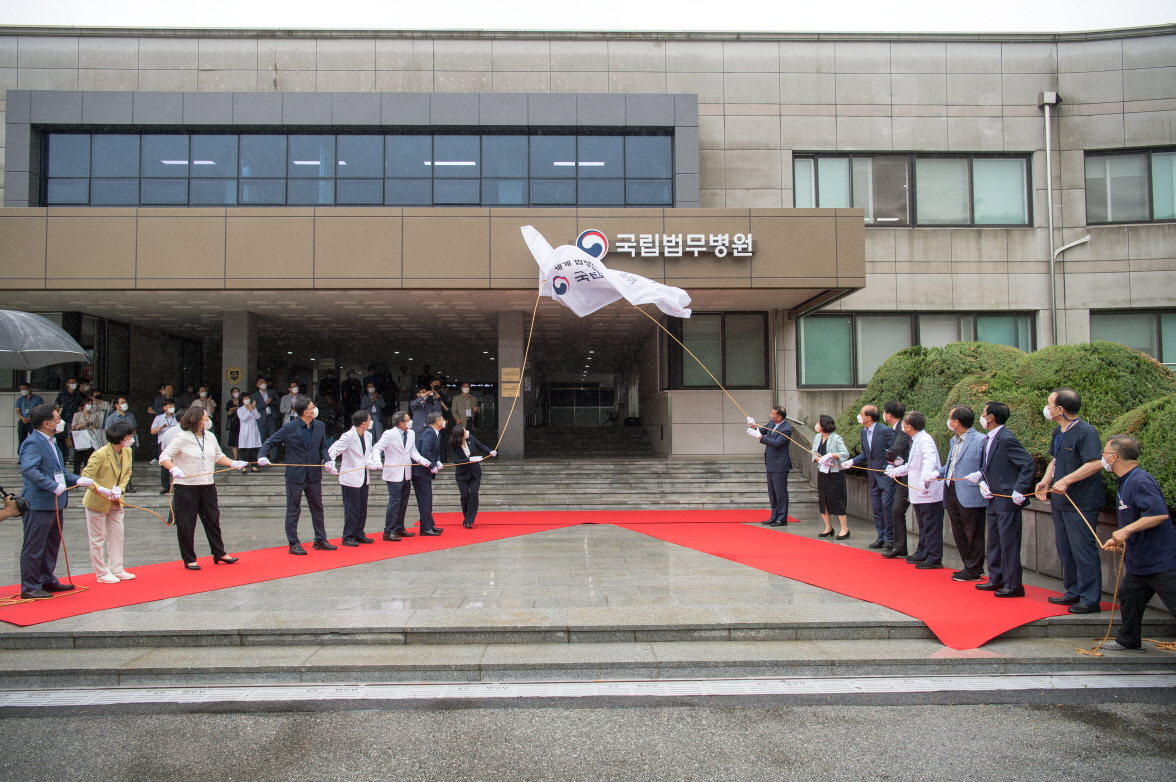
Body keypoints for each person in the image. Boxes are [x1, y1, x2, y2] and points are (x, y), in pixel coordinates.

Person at [1097, 435, 1176, 652]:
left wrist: (1125, 531)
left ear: (1114, 457)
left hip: (1161, 560)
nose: (1102, 457)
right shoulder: (1126, 481)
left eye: (1104, 453)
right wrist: (1119, 538)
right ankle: (1128, 640)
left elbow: (1159, 514)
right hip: (1140, 560)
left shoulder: (1140, 480)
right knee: (1129, 595)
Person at [1035, 388, 1105, 614]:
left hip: (1081, 502)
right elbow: (1055, 459)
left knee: (1083, 550)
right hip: (1060, 502)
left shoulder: (1086, 432)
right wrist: (1046, 480)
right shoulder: (1058, 431)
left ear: (1060, 409)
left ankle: (1090, 599)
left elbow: (1095, 463)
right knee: (1065, 549)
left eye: (1049, 404)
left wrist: (1066, 480)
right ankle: (1073, 591)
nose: (1046, 408)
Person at [17, 404, 95, 599]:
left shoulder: (52, 442)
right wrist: (52, 485)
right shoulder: (33, 443)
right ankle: (30, 586)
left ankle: (47, 579)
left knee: (51, 544)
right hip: (38, 503)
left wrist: (78, 479)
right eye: (57, 419)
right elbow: (29, 469)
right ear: (47, 423)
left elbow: (60, 472)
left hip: (55, 502)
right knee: (35, 546)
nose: (61, 422)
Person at [966, 400, 1036, 598]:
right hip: (993, 497)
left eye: (983, 413)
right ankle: (996, 578)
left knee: (1008, 542)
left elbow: (1027, 463)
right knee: (995, 541)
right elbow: (991, 465)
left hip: (1007, 499)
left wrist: (1019, 489)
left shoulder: (1006, 438)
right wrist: (982, 478)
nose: (981, 417)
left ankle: (1013, 584)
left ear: (990, 417)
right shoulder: (989, 438)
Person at [160, 406, 245, 570]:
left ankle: (219, 552)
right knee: (186, 524)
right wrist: (173, 468)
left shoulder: (210, 436)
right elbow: (164, 457)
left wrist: (233, 463)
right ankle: (189, 558)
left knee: (213, 519)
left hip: (207, 485)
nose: (208, 420)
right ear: (197, 420)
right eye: (205, 418)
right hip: (186, 487)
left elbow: (218, 456)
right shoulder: (181, 437)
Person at [258, 397, 335, 555]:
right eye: (312, 407)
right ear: (305, 412)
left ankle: (320, 539)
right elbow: (270, 441)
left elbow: (322, 447)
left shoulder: (320, 426)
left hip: (313, 475)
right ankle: (293, 543)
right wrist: (262, 455)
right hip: (295, 475)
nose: (315, 409)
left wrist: (328, 460)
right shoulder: (289, 427)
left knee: (317, 508)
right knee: (293, 509)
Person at [80, 421, 136, 584]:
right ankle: (101, 572)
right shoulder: (100, 454)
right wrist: (101, 490)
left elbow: (127, 472)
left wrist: (120, 489)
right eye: (129, 436)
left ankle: (117, 568)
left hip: (116, 501)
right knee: (97, 539)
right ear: (121, 438)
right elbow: (86, 477)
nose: (132, 439)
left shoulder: (127, 451)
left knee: (117, 535)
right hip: (98, 501)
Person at [887, 411, 945, 569]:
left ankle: (934, 557)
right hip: (918, 491)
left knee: (931, 525)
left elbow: (929, 462)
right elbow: (912, 465)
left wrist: (924, 481)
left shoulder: (925, 441)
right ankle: (923, 551)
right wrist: (897, 471)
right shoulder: (915, 440)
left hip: (927, 491)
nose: (902, 425)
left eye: (904, 423)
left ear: (909, 426)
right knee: (923, 524)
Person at [938, 406, 987, 581]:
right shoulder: (954, 440)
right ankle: (970, 565)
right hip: (952, 488)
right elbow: (951, 464)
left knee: (973, 532)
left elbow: (987, 465)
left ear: (957, 422)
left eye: (950, 419)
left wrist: (980, 476)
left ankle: (973, 568)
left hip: (970, 492)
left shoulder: (981, 440)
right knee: (958, 531)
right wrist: (937, 473)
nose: (949, 422)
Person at [371, 410, 431, 541]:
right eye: (408, 420)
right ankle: (389, 530)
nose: (411, 422)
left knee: (403, 501)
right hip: (394, 473)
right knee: (395, 501)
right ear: (400, 423)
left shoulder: (411, 433)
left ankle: (399, 527)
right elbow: (377, 448)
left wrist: (422, 460)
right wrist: (377, 460)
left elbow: (412, 451)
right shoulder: (389, 434)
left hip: (406, 472)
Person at [848, 404, 894, 546]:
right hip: (872, 475)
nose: (859, 416)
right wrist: (852, 461)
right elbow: (866, 454)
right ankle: (881, 536)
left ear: (868, 417)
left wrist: (892, 466)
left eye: (861, 414)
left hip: (885, 475)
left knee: (887, 507)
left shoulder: (885, 431)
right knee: (876, 507)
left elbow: (893, 451)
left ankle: (890, 538)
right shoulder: (863, 432)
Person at [328, 410, 376, 546]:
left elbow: (368, 453)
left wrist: (371, 461)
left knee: (362, 507)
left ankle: (359, 533)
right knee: (352, 509)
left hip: (364, 476)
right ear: (363, 423)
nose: (371, 422)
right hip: (351, 477)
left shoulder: (368, 435)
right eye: (369, 419)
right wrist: (331, 463)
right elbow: (333, 450)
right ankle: (348, 536)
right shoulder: (348, 436)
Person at [746, 406, 793, 527]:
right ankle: (774, 516)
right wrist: (753, 426)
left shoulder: (786, 429)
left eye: (773, 414)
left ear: (779, 417)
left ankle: (782, 518)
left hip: (780, 465)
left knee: (780, 493)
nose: (770, 415)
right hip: (771, 463)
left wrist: (760, 437)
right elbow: (762, 430)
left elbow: (776, 443)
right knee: (772, 493)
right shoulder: (772, 424)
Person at [811, 414, 850, 539]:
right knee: (823, 499)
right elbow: (813, 452)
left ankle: (844, 528)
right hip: (822, 471)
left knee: (836, 499)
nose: (817, 425)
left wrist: (831, 455)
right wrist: (820, 459)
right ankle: (828, 527)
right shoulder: (817, 437)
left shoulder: (836, 438)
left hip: (835, 473)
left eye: (819, 423)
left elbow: (845, 454)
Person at [449, 424, 496, 528]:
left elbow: (480, 446)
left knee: (474, 493)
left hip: (475, 472)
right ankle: (467, 517)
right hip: (462, 474)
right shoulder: (454, 445)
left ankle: (469, 520)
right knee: (464, 496)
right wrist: (469, 460)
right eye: (464, 431)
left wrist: (490, 451)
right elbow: (456, 461)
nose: (466, 432)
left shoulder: (471, 438)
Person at [411, 412, 446, 536]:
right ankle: (426, 528)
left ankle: (429, 524)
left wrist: (437, 461)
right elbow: (425, 450)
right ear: (437, 421)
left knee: (428, 499)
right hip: (420, 473)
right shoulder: (429, 433)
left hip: (425, 472)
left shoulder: (435, 433)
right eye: (441, 419)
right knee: (425, 500)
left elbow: (435, 450)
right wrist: (431, 465)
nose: (443, 420)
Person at [881, 400, 909, 553]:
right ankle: (899, 546)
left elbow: (896, 449)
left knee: (897, 509)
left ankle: (900, 546)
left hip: (908, 474)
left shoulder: (902, 429)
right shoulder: (895, 429)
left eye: (884, 412)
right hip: (900, 471)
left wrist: (889, 458)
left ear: (889, 415)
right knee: (896, 510)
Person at [103, 396, 139, 494]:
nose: (125, 404)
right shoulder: (111, 418)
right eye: (122, 402)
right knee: (117, 464)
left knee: (129, 464)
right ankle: (117, 484)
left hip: (129, 443)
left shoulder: (131, 416)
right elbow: (108, 432)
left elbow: (134, 429)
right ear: (116, 405)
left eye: (125, 402)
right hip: (117, 444)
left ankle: (128, 484)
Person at [150, 398, 180, 494]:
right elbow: (152, 431)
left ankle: (177, 485)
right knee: (164, 465)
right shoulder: (159, 418)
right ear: (164, 408)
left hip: (175, 442)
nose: (172, 407)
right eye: (169, 406)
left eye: (173, 406)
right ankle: (166, 486)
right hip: (163, 443)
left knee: (177, 463)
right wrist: (161, 427)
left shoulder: (177, 417)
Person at [69, 395, 104, 474]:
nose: (90, 406)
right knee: (78, 458)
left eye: (91, 404)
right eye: (88, 404)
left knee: (88, 458)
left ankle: (87, 474)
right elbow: (73, 427)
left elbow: (97, 426)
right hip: (80, 437)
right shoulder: (77, 415)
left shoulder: (94, 415)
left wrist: (93, 427)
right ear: (84, 405)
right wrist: (83, 424)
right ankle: (76, 474)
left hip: (90, 437)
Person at [54, 378, 84, 458]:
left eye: (75, 383)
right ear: (67, 384)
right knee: (63, 437)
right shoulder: (61, 395)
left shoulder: (78, 395)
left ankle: (72, 457)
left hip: (74, 419)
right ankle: (63, 455)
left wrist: (81, 418)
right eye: (72, 383)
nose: (74, 384)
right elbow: (57, 407)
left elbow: (79, 407)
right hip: (63, 419)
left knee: (74, 437)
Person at [236, 394, 262, 473]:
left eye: (248, 398)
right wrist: (249, 410)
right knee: (244, 450)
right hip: (245, 432)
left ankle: (254, 466)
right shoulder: (240, 410)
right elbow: (243, 419)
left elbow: (258, 416)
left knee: (254, 449)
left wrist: (253, 408)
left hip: (253, 432)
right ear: (242, 400)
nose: (247, 399)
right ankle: (244, 467)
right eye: (245, 398)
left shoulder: (253, 408)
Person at [147, 383, 172, 465]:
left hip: (171, 420)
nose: (169, 391)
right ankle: (156, 457)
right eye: (167, 389)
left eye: (171, 389)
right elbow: (154, 408)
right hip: (161, 420)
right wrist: (161, 411)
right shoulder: (158, 399)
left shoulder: (176, 399)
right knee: (157, 440)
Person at [251, 377, 280, 448]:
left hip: (271, 417)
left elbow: (278, 402)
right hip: (261, 418)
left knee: (273, 437)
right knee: (262, 438)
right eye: (261, 382)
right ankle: (262, 453)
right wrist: (266, 403)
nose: (263, 383)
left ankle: (274, 454)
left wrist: (270, 402)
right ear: (257, 385)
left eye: (264, 382)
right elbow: (255, 407)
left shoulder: (272, 392)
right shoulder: (254, 395)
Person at [224, 387, 243, 457]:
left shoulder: (242, 402)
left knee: (241, 439)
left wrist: (236, 408)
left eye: (237, 391)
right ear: (232, 394)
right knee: (233, 440)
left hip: (242, 422)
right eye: (234, 392)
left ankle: (242, 456)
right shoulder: (229, 402)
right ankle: (235, 456)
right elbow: (228, 413)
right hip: (233, 423)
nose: (236, 393)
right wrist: (234, 409)